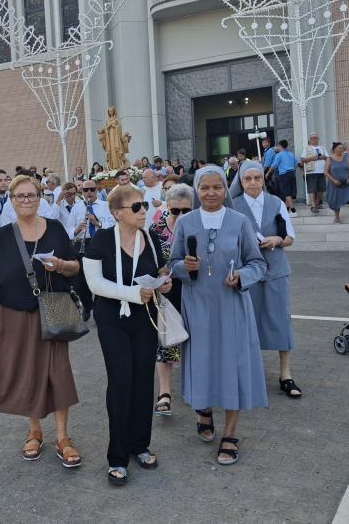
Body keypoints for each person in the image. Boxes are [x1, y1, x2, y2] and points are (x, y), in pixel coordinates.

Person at [169, 166, 268, 466]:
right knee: (204, 362)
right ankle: (204, 410)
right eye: (205, 188)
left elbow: (258, 263)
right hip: (197, 306)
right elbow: (172, 264)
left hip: (231, 306)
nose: (211, 193)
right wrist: (186, 267)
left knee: (233, 365)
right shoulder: (185, 222)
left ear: (226, 189)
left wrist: (241, 277)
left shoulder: (239, 222)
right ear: (197, 191)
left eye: (217, 187)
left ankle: (231, 432)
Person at [0, 175, 82, 469]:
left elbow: (75, 266)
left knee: (58, 373)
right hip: (14, 316)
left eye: (31, 195)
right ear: (11, 201)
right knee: (27, 373)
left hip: (53, 312)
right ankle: (34, 431)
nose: (26, 200)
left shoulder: (55, 229)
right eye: (20, 196)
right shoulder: (1, 236)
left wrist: (61, 265)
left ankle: (63, 438)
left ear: (41, 197)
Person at [84, 185, 172, 485]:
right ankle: (117, 456)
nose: (143, 211)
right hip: (112, 320)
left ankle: (139, 444)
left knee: (143, 381)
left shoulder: (150, 237)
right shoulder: (100, 240)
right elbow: (94, 284)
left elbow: (160, 271)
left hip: (145, 319)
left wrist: (164, 283)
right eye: (136, 207)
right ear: (117, 213)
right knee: (121, 383)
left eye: (144, 205)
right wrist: (134, 293)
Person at [229, 163, 300, 399]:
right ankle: (246, 372)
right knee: (245, 323)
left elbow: (289, 237)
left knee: (281, 320)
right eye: (247, 178)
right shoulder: (233, 205)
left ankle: (286, 375)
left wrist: (276, 240)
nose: (252, 183)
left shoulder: (276, 202)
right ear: (240, 181)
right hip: (247, 272)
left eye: (257, 177)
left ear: (263, 179)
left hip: (276, 269)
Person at [149, 183, 193, 417]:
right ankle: (164, 392)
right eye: (175, 210)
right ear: (167, 207)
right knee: (165, 341)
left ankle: (194, 387)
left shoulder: (200, 227)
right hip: (167, 293)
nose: (180, 216)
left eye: (186, 211)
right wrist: (159, 276)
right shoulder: (155, 229)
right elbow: (149, 261)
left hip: (194, 292)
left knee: (194, 342)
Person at [67, 180, 116, 320]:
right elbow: (68, 227)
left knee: (101, 277)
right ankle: (88, 306)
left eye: (92, 189)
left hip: (100, 242)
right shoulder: (77, 207)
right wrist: (76, 230)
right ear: (82, 191)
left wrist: (97, 223)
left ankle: (100, 309)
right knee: (79, 281)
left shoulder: (105, 205)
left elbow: (113, 224)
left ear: (96, 190)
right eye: (86, 190)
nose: (89, 192)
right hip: (82, 243)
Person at [324, 142, 349, 223]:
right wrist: (334, 180)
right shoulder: (329, 159)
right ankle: (337, 217)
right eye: (339, 148)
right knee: (336, 200)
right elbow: (326, 172)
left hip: (346, 183)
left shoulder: (345, 157)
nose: (342, 149)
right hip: (334, 184)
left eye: (342, 148)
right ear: (334, 149)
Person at [269, 140, 298, 217]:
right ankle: (286, 210)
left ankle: (293, 211)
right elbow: (296, 164)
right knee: (289, 192)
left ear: (280, 146)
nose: (277, 147)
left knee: (286, 193)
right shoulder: (291, 154)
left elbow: (274, 165)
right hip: (291, 173)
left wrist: (267, 173)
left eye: (277, 145)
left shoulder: (279, 155)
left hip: (284, 174)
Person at [300, 133, 328, 212]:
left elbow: (328, 158)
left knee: (321, 189)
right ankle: (313, 205)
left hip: (322, 171)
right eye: (312, 138)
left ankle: (317, 203)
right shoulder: (306, 148)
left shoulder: (322, 148)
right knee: (312, 189)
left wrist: (323, 157)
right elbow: (302, 160)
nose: (313, 139)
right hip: (311, 171)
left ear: (318, 139)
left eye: (315, 138)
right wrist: (312, 158)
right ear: (309, 140)